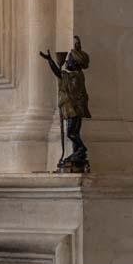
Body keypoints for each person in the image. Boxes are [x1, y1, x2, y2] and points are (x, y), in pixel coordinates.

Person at [39, 36, 90, 172]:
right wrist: (50, 60)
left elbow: (60, 75)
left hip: (74, 110)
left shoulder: (75, 77)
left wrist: (51, 62)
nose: (67, 61)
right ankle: (78, 153)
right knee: (75, 132)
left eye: (69, 59)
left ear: (76, 63)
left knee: (71, 133)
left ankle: (81, 148)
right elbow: (60, 75)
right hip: (74, 109)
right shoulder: (76, 75)